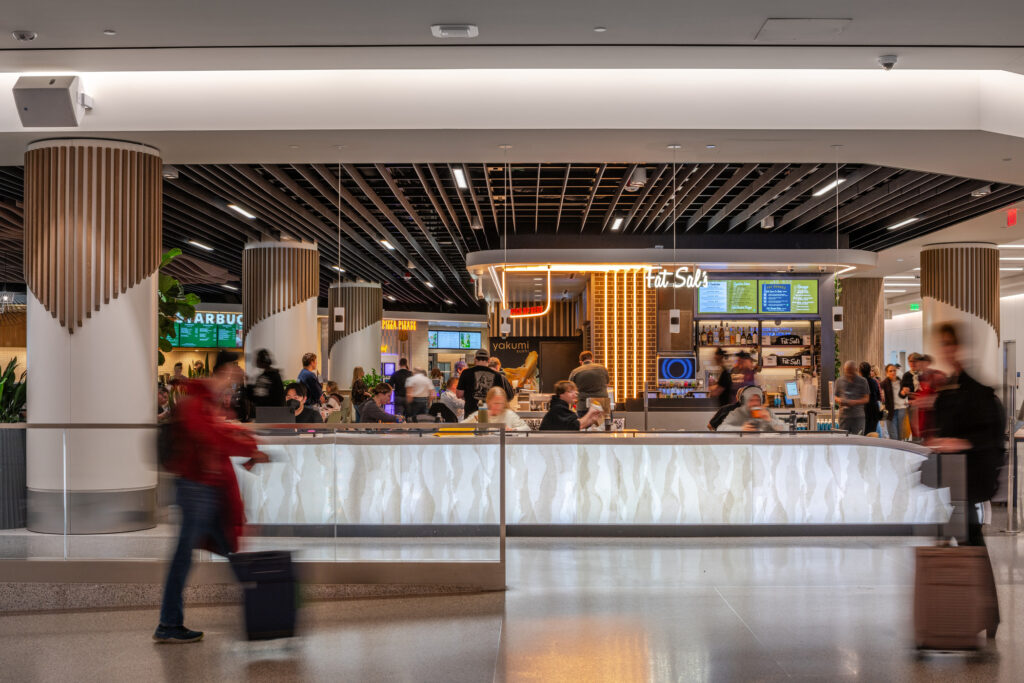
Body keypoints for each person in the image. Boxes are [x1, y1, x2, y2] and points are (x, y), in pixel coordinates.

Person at [155, 350, 267, 644]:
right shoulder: (196, 403)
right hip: (195, 489)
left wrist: (248, 445)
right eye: (232, 375)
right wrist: (249, 449)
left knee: (228, 547)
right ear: (221, 373)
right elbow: (210, 436)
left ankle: (262, 616)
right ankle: (169, 623)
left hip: (208, 489)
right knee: (189, 554)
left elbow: (221, 434)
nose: (234, 381)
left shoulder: (209, 403)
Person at [928, 322, 1004, 638]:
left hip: (969, 479)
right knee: (965, 539)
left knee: (969, 539)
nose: (946, 350)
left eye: (950, 344)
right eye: (943, 344)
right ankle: (979, 612)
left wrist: (958, 443)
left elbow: (986, 437)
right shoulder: (952, 390)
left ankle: (982, 612)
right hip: (957, 480)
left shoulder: (975, 392)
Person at [457, 350, 514, 417]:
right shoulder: (497, 375)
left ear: (475, 360)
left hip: (471, 415)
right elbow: (501, 398)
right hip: (491, 416)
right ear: (488, 360)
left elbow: (459, 394)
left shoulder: (466, 373)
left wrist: (468, 396)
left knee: (471, 427)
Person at [539, 380, 604, 431]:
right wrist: (590, 412)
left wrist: (592, 420)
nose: (575, 394)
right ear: (561, 394)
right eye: (570, 391)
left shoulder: (560, 407)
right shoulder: (558, 409)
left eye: (575, 392)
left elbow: (574, 426)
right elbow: (577, 425)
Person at [460, 385, 531, 431]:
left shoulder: (509, 415)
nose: (499, 406)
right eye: (496, 403)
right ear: (488, 402)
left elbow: (527, 429)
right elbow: (459, 427)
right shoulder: (480, 414)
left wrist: (512, 429)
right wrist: (477, 418)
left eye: (501, 403)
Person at [718, 386, 786, 432]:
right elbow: (720, 429)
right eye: (751, 400)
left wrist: (770, 420)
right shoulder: (737, 413)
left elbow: (784, 429)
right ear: (744, 401)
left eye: (757, 400)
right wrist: (741, 429)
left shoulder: (767, 412)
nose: (755, 403)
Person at [568, 351, 611, 417]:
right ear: (592, 359)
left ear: (580, 362)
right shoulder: (603, 369)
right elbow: (607, 384)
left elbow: (570, 388)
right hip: (602, 404)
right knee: (602, 426)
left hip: (583, 405)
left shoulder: (575, 372)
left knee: (585, 426)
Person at [834, 360, 869, 435]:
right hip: (844, 417)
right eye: (847, 372)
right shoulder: (839, 381)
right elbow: (834, 396)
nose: (849, 374)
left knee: (858, 439)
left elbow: (866, 398)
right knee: (843, 439)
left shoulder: (863, 381)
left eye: (851, 372)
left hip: (858, 417)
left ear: (856, 370)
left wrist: (855, 402)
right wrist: (839, 400)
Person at [880, 364, 907, 440]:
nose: (893, 372)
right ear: (887, 373)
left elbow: (904, 395)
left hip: (901, 409)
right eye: (890, 371)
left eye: (894, 370)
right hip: (890, 411)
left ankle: (901, 451)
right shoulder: (884, 383)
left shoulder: (901, 382)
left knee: (901, 435)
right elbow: (879, 393)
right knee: (893, 435)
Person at [859, 361, 883, 435]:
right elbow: (879, 396)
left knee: (863, 434)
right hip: (874, 411)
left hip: (863, 412)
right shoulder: (874, 382)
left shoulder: (860, 382)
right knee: (872, 433)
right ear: (869, 371)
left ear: (859, 372)